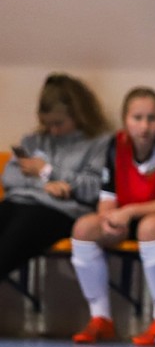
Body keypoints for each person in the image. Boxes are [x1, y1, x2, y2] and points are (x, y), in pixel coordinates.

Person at [70, 88, 155, 345]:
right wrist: (109, 220)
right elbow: (107, 197)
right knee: (84, 228)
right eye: (137, 118)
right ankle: (100, 318)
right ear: (125, 120)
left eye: (152, 118)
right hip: (125, 217)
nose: (144, 126)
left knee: (151, 228)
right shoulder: (115, 146)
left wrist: (130, 212)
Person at [1, 75, 108, 283]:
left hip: (58, 210)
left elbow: (94, 188)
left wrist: (47, 170)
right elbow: (9, 177)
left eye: (59, 123)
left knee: (10, 244)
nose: (53, 131)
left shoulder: (98, 144)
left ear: (79, 114)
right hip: (17, 202)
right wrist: (45, 183)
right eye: (48, 124)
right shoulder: (33, 140)